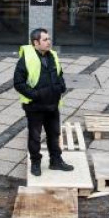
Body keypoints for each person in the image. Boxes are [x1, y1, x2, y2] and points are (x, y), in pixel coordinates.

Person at [14, 28, 74, 177]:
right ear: (36, 42)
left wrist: (61, 86)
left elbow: (59, 73)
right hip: (35, 106)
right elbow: (18, 83)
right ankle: (35, 162)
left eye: (49, 39)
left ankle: (56, 161)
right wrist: (36, 95)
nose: (49, 42)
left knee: (54, 134)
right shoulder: (25, 59)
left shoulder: (52, 55)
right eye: (45, 39)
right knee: (35, 136)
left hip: (53, 104)